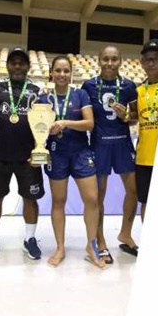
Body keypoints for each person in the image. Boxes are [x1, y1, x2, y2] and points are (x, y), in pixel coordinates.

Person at [0, 48, 46, 262]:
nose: (17, 66)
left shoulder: (37, 90)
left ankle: (30, 239)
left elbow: (43, 124)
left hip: (28, 157)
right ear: (8, 66)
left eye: (21, 63)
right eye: (14, 63)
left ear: (28, 66)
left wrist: (38, 152)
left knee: (30, 198)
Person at [39, 55, 105, 268]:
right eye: (57, 70)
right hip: (56, 154)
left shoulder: (80, 95)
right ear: (51, 73)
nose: (61, 75)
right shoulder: (44, 98)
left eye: (66, 71)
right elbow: (38, 128)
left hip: (80, 153)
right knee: (59, 202)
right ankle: (60, 247)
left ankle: (91, 245)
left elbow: (89, 124)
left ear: (71, 73)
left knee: (92, 199)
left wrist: (66, 122)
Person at [81, 45, 138, 263]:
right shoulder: (88, 85)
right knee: (99, 196)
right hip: (99, 145)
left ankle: (125, 233)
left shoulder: (128, 86)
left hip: (123, 144)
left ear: (121, 61)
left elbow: (135, 117)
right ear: (98, 60)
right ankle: (100, 239)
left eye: (114, 59)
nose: (110, 63)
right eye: (106, 58)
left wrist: (127, 117)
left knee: (133, 190)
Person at [130, 38, 158, 256]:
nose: (151, 64)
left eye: (155, 59)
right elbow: (134, 119)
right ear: (142, 63)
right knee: (146, 203)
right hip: (144, 158)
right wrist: (125, 115)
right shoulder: (139, 90)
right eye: (147, 60)